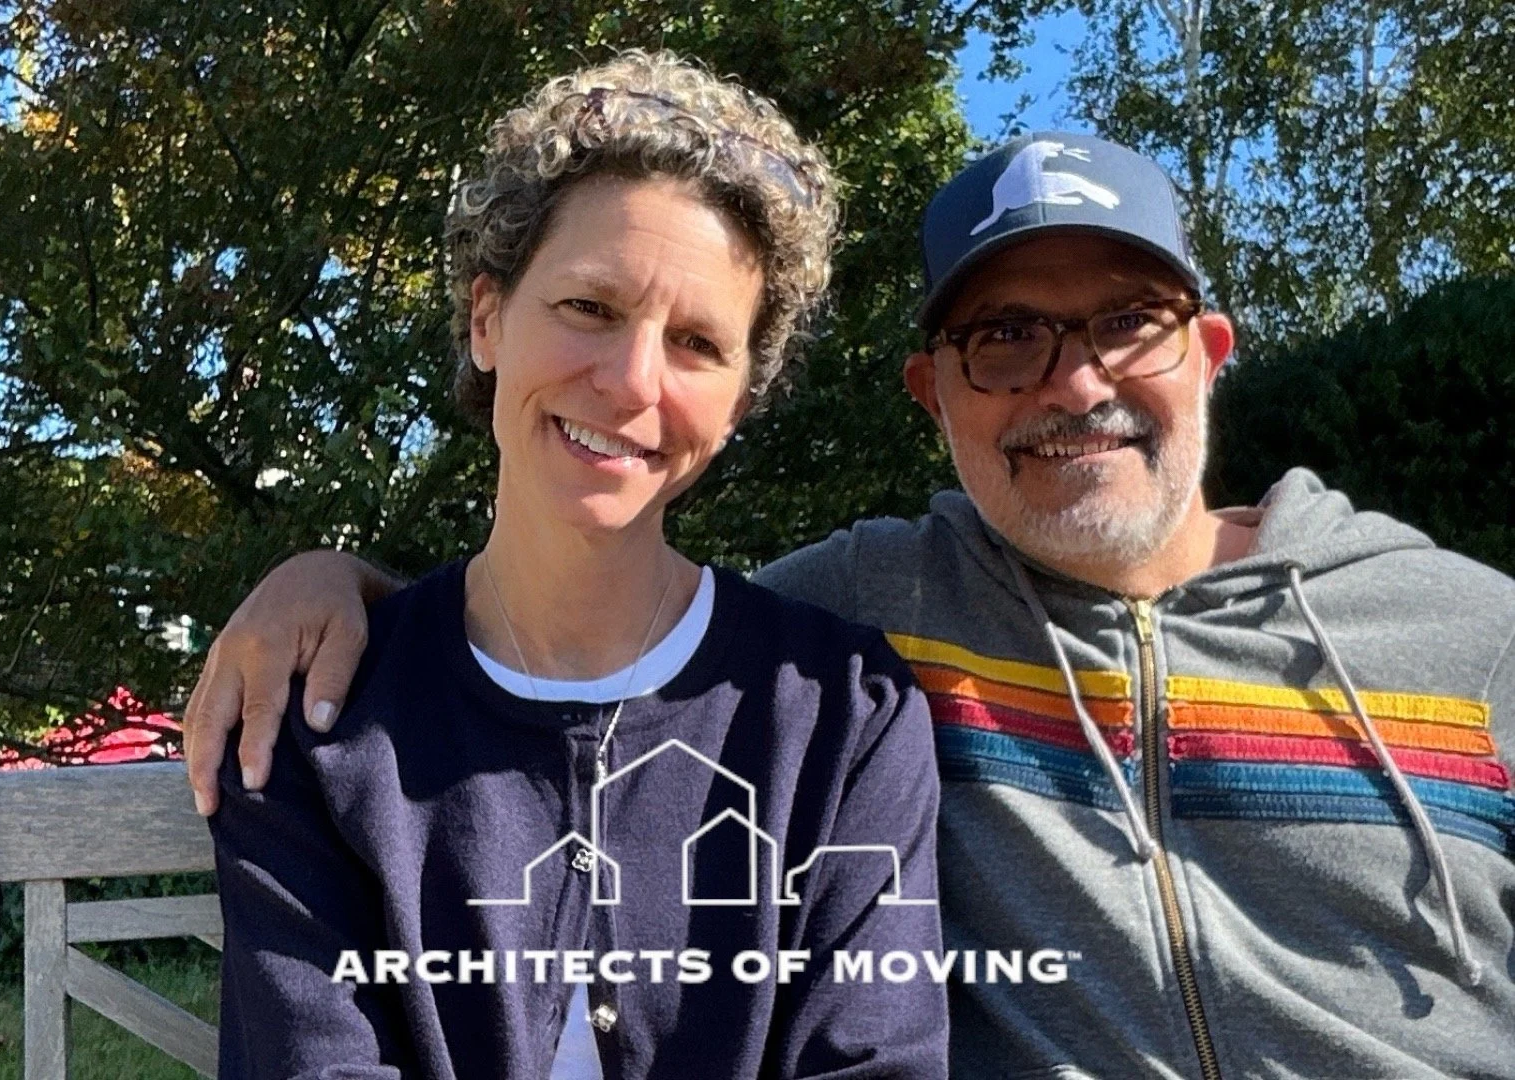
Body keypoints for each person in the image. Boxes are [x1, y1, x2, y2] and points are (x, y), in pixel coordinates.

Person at [188, 128, 1515, 1079]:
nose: (1073, 382)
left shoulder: (1472, 634)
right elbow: (593, 634)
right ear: (931, 393)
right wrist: (332, 586)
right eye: (1006, 338)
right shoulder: (865, 632)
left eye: (1127, 321)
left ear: (1209, 354)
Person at [202, 50, 948, 1080]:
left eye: (697, 343)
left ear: (740, 403)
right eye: (589, 308)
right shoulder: (320, 719)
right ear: (487, 318)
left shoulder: (843, 719)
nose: (633, 381)